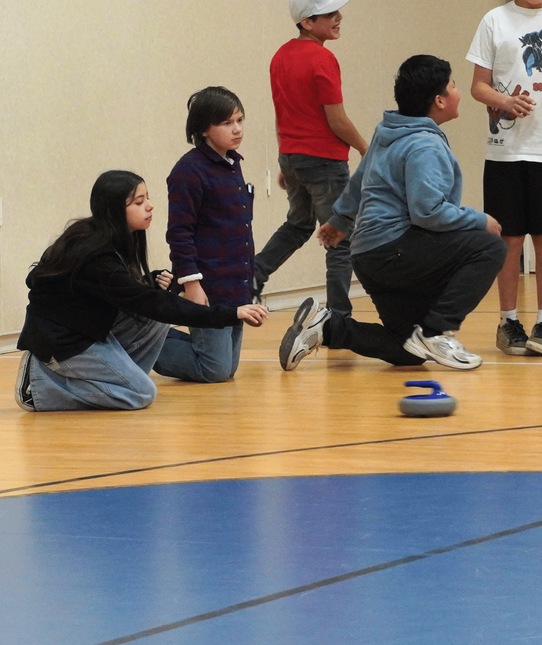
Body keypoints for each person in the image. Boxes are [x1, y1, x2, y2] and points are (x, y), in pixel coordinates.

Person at [281, 55, 506, 371]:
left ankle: (327, 328)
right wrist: (481, 220)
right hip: (394, 251)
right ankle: (436, 332)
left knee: (409, 352)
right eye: (453, 85)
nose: (457, 91)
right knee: (491, 247)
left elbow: (361, 179)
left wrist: (341, 220)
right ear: (440, 101)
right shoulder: (424, 145)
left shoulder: (388, 130)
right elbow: (427, 213)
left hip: (369, 257)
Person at [15, 170, 268, 412]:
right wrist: (229, 314)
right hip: (62, 343)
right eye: (139, 201)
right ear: (115, 210)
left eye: (147, 198)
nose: (150, 205)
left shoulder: (110, 237)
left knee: (156, 317)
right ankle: (40, 386)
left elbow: (122, 293)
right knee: (142, 394)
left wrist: (149, 280)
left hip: (88, 328)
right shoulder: (95, 253)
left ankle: (124, 380)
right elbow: (141, 298)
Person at [467, 0, 542, 356]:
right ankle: (508, 321)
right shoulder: (493, 20)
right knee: (510, 238)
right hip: (505, 150)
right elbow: (478, 86)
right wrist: (504, 101)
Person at [253, 0, 367, 318]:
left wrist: (286, 160)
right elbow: (337, 120)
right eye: (330, 14)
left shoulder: (280, 56)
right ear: (306, 22)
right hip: (325, 161)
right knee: (338, 237)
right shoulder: (323, 58)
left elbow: (283, 112)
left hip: (293, 156)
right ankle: (338, 317)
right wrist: (364, 147)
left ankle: (252, 276)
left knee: (298, 225)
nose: (339, 17)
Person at [152, 87, 260, 384]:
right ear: (203, 129)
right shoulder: (188, 171)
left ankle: (150, 337)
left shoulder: (233, 164)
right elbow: (179, 232)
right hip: (207, 283)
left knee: (226, 369)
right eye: (226, 123)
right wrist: (191, 283)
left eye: (239, 120)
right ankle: (138, 340)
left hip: (234, 284)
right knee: (214, 371)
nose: (237, 129)